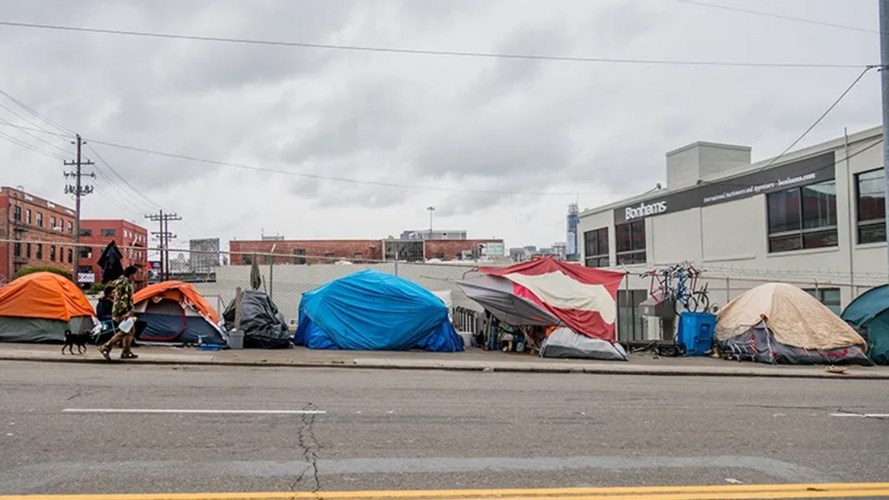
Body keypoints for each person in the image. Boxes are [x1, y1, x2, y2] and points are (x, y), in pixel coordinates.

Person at [99, 265, 140, 360]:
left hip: (119, 310)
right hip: (122, 312)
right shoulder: (125, 283)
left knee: (131, 331)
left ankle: (126, 351)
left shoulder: (121, 281)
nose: (136, 276)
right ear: (131, 274)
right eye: (135, 274)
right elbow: (124, 299)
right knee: (125, 331)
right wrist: (127, 312)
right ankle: (106, 346)